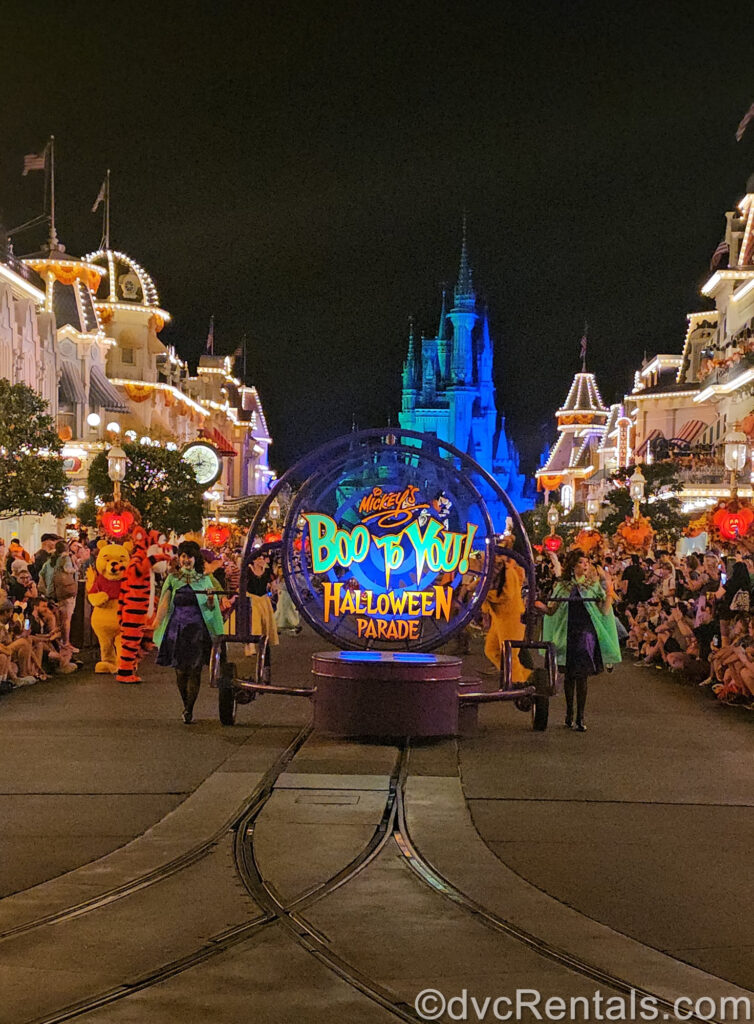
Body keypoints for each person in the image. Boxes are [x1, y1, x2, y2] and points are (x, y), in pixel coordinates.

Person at [543, 549, 621, 732]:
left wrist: (609, 592)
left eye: (586, 562)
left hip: (586, 634)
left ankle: (580, 717)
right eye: (580, 562)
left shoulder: (593, 585)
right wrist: (541, 607)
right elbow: (552, 609)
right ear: (572, 565)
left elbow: (603, 610)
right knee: (569, 677)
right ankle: (569, 715)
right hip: (567, 632)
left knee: (582, 677)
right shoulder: (562, 585)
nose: (585, 565)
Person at [153, 541, 225, 724]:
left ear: (195, 559)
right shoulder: (172, 579)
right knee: (180, 672)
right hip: (176, 630)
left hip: (197, 632)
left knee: (194, 671)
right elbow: (164, 602)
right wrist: (156, 622)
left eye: (189, 557)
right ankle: (186, 703)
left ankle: (189, 709)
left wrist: (210, 598)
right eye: (183, 556)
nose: (186, 560)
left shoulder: (204, 579)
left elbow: (211, 608)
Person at [482, 553, 526, 680]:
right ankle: (516, 677)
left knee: (510, 654)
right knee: (491, 650)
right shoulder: (492, 573)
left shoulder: (508, 572)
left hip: (511, 617)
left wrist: (486, 595)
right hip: (499, 617)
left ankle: (518, 682)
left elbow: (507, 594)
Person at [245, 552, 279, 679]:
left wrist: (274, 588)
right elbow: (242, 586)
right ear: (253, 560)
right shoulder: (248, 570)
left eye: (262, 558)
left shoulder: (267, 571)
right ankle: (250, 645)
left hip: (264, 601)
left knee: (265, 633)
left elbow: (273, 584)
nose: (261, 560)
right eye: (258, 558)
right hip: (252, 600)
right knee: (254, 624)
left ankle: (266, 668)